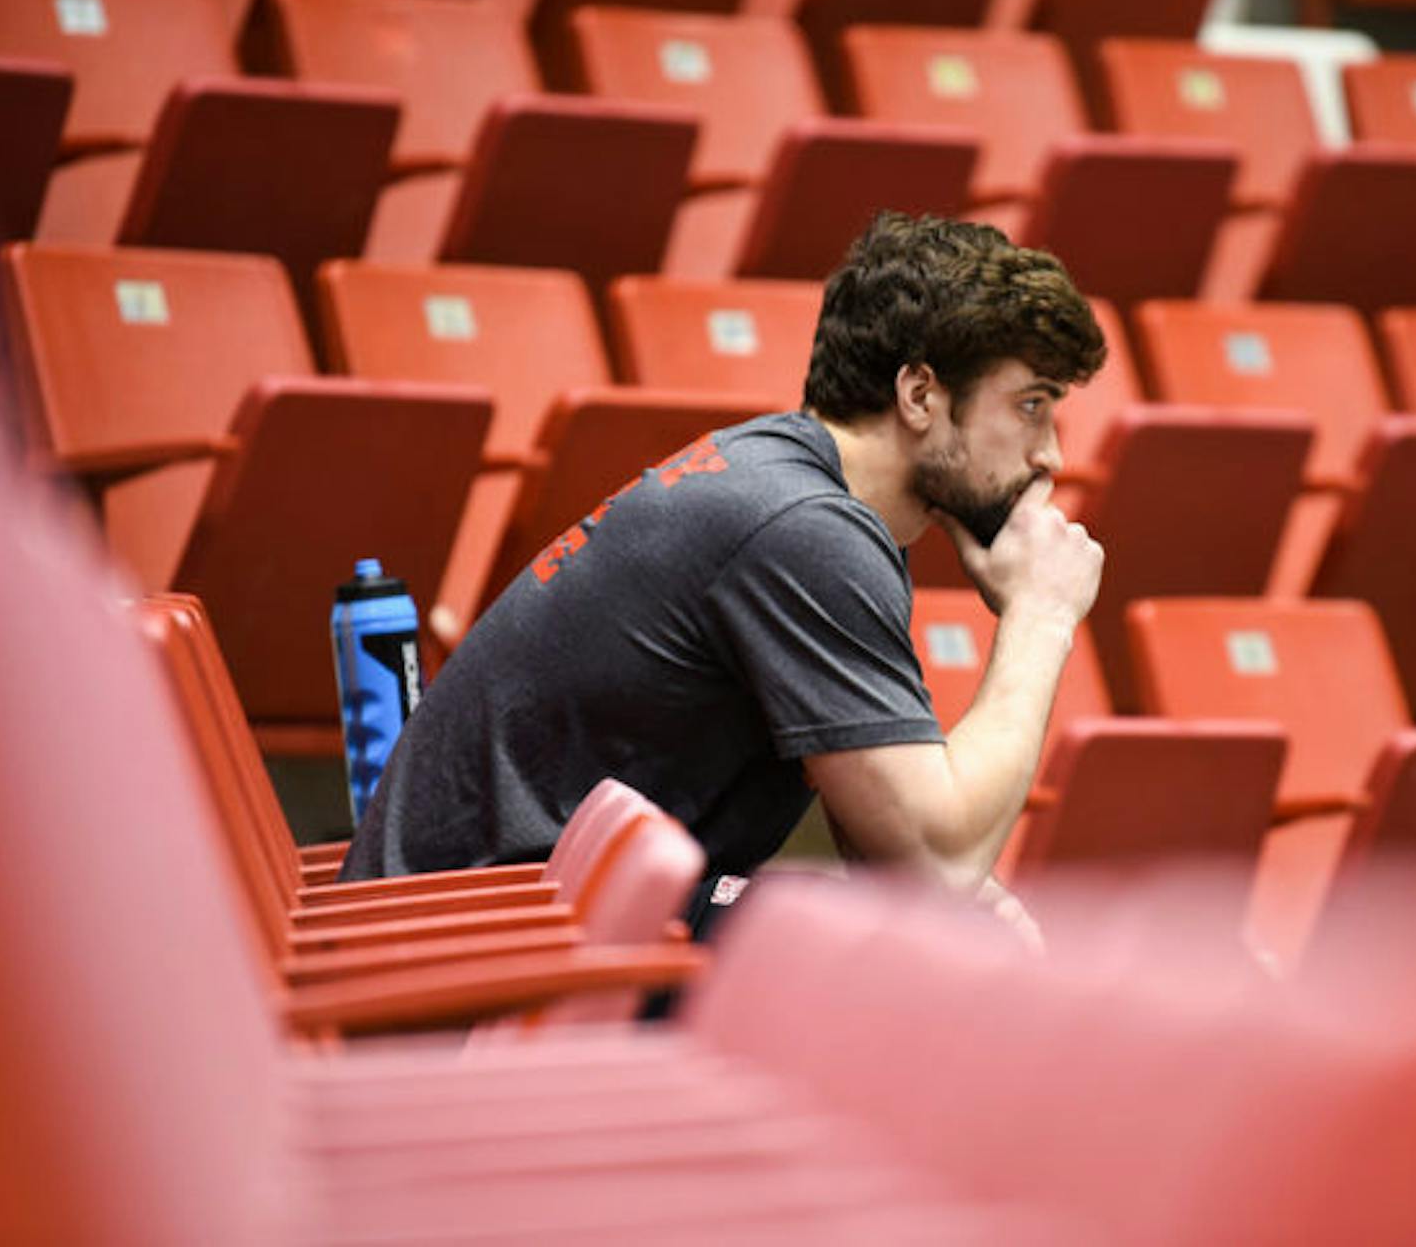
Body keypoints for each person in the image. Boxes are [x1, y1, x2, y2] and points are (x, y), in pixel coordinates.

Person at [338, 212, 1106, 919]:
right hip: (467, 951)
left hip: (515, 910)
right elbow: (933, 866)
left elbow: (896, 847)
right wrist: (1040, 617)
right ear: (918, 394)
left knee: (907, 944)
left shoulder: (792, 493)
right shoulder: (803, 531)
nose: (1051, 455)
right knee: (894, 966)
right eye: (1031, 405)